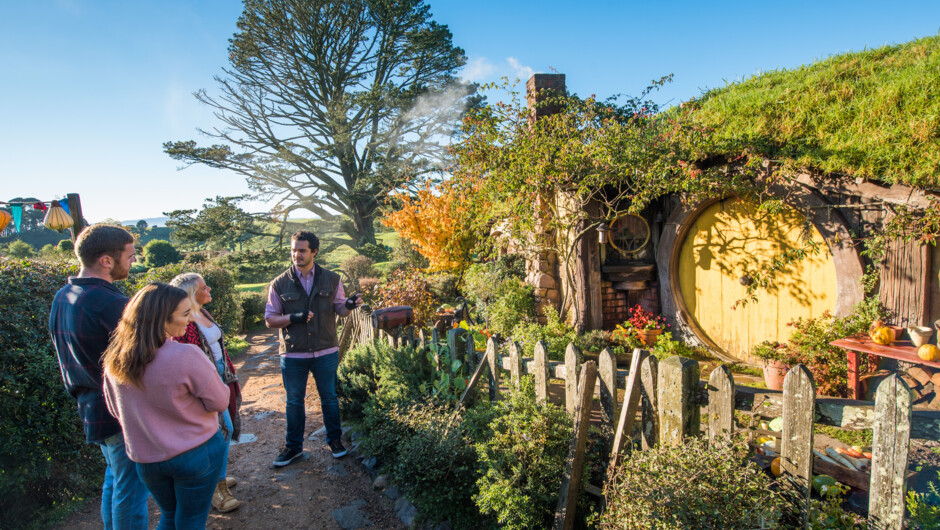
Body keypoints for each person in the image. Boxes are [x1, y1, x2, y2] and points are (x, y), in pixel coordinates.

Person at [103, 283, 230, 530]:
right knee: (191, 520)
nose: (189, 321)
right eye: (184, 314)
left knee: (170, 516)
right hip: (195, 452)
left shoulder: (114, 361)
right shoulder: (186, 355)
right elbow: (220, 401)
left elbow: (114, 409)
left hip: (147, 459)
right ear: (162, 318)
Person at [48, 224, 149, 529]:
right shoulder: (110, 303)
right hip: (120, 409)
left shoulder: (64, 295)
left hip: (91, 406)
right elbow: (145, 356)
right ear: (107, 260)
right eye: (130, 255)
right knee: (132, 489)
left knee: (115, 481)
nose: (134, 261)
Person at [265, 230, 362, 467]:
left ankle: (335, 442)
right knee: (294, 401)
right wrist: (293, 317)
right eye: (293, 250)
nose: (296, 254)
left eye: (302, 250)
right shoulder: (278, 283)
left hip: (325, 350)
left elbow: (340, 309)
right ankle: (293, 448)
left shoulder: (332, 279)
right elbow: (270, 320)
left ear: (314, 252)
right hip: (293, 352)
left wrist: (348, 305)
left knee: (329, 398)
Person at [169, 272, 242, 513]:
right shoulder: (186, 320)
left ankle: (216, 478)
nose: (208, 288)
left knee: (224, 428)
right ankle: (215, 487)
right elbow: (187, 356)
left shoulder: (202, 312)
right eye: (203, 287)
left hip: (219, 376)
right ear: (191, 293)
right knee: (222, 429)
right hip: (203, 382)